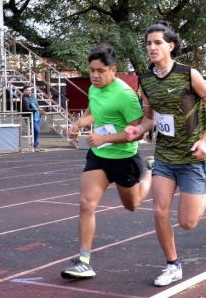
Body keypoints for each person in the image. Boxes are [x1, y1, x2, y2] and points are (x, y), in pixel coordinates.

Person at [124, 22, 206, 287]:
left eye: (157, 42)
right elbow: (150, 118)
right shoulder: (145, 81)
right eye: (148, 43)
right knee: (158, 211)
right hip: (166, 156)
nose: (152, 47)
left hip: (192, 155)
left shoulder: (189, 74)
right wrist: (138, 129)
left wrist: (205, 140)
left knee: (188, 223)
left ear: (170, 45)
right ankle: (172, 265)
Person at [61, 44, 153, 279]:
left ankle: (149, 172)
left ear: (113, 70)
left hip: (124, 158)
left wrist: (105, 137)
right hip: (99, 156)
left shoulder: (125, 95)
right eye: (91, 70)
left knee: (132, 205)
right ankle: (83, 260)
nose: (94, 75)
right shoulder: (94, 89)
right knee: (86, 203)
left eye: (100, 70)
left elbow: (138, 131)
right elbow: (93, 112)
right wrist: (77, 125)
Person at [21, 85, 43, 152]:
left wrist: (38, 109)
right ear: (24, 91)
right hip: (31, 117)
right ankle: (35, 146)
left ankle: (37, 145)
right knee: (36, 131)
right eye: (28, 90)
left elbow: (36, 105)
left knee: (36, 132)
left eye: (30, 90)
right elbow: (26, 109)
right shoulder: (24, 98)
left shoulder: (33, 97)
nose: (29, 91)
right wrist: (36, 109)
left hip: (37, 116)